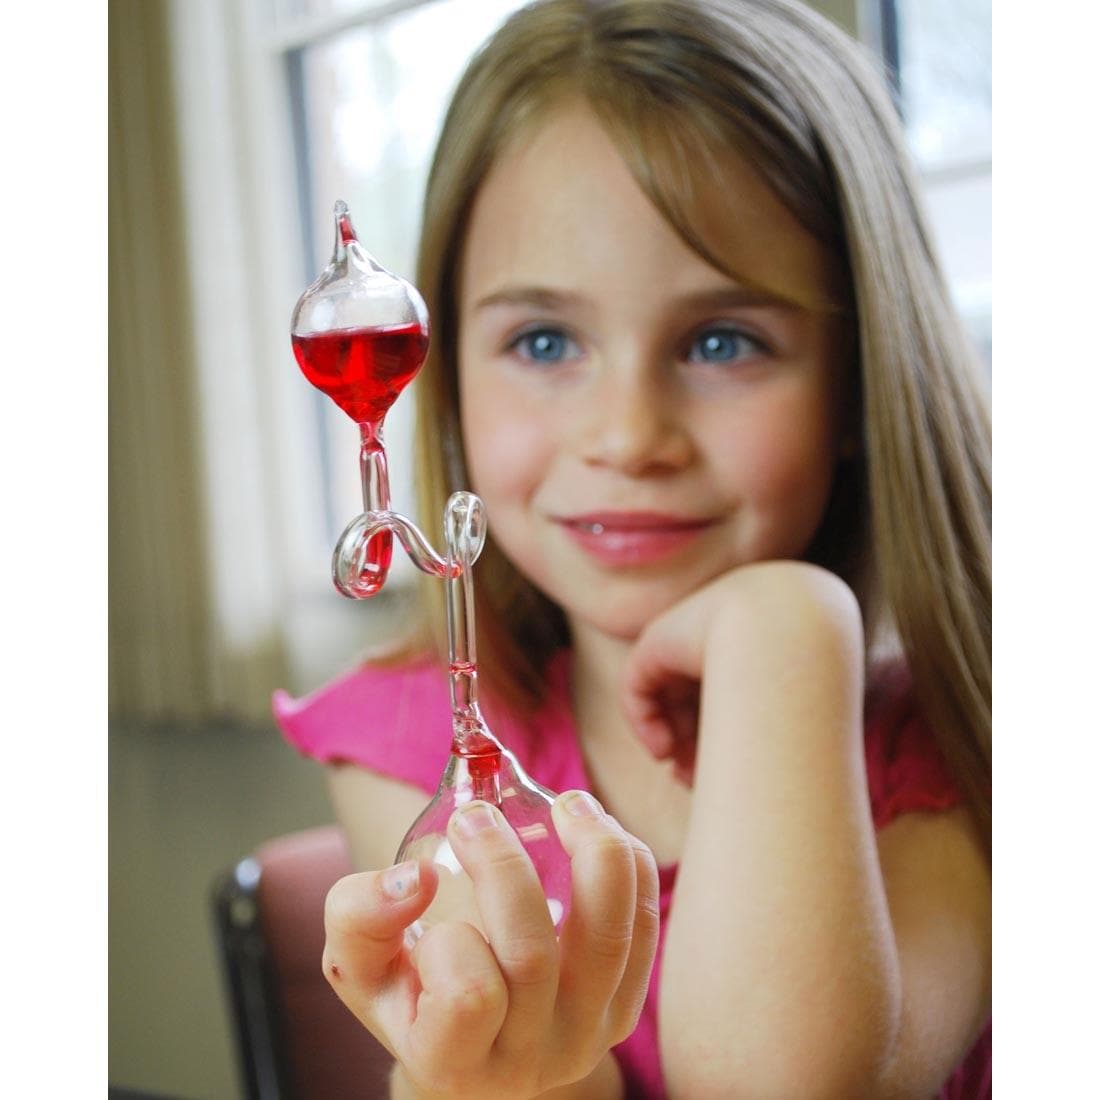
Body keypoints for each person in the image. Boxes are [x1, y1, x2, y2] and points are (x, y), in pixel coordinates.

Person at [273, 0, 992, 1095]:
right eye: (544, 340)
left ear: (856, 381)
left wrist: (782, 626)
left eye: (721, 341)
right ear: (452, 379)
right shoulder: (414, 733)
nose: (626, 436)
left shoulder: (960, 744)